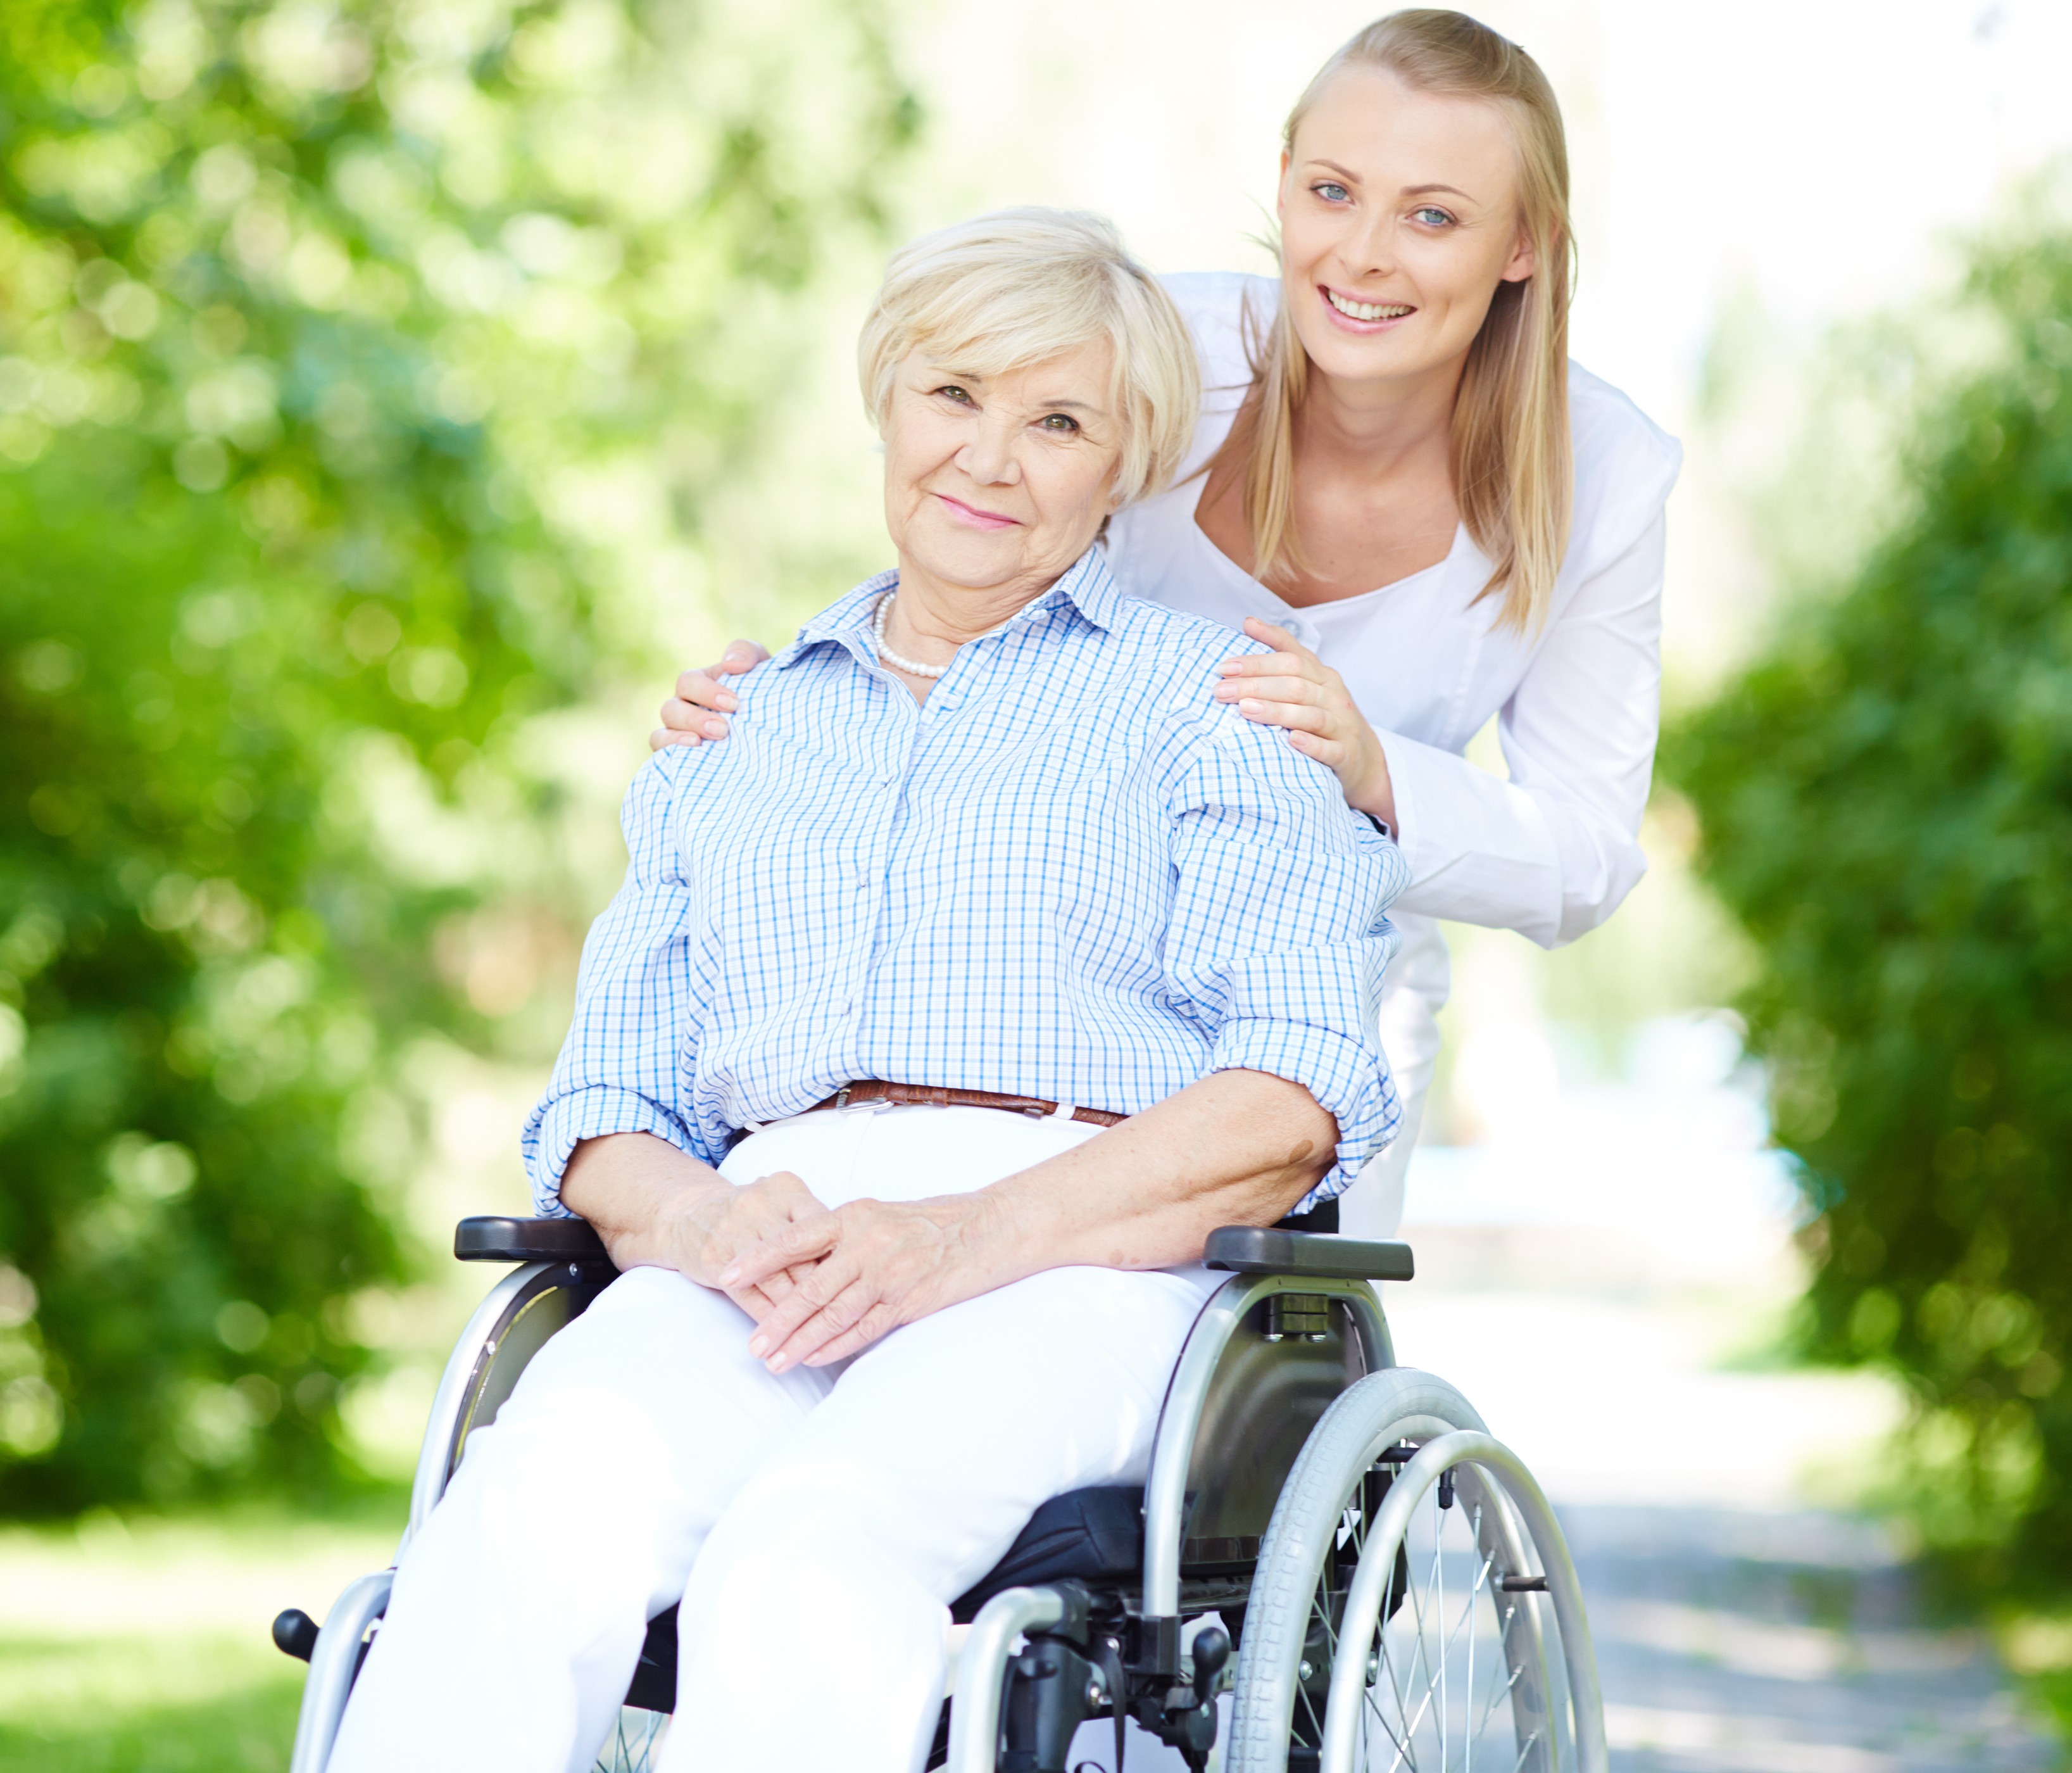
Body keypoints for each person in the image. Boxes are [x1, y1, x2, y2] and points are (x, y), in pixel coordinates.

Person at [327, 210, 1405, 1773]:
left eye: (1058, 422)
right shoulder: (737, 728)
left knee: (812, 1550)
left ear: (1123, 465)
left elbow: (1290, 1095)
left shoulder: (1214, 702)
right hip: (765, 1243)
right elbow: (605, 1107)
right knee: (518, 1515)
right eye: (952, 393)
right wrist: (701, 1222)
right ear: (885, 401)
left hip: (1078, 1249)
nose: (989, 457)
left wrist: (965, 1234)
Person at [655, 9, 1681, 1238]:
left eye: (1431, 216)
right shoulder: (1162, 350)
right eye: (1331, 191)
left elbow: (1580, 856)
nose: (1362, 255)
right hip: (1046, 960)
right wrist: (787, 713)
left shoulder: (1603, 470)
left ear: (1523, 245)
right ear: (1283, 184)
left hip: (1316, 994)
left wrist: (1369, 771)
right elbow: (974, 525)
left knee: (1277, 1321)